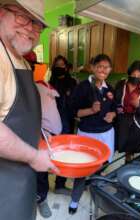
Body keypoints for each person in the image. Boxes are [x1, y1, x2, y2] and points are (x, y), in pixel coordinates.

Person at [0, 1, 58, 220]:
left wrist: (42, 148)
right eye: (22, 17)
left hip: (23, 181)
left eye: (38, 24)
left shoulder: (22, 62)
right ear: (1, 13)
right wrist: (34, 157)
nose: (31, 28)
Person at [69, 54, 116, 214]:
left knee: (101, 167)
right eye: (100, 66)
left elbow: (114, 108)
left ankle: (96, 191)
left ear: (110, 70)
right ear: (93, 67)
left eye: (106, 67)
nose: (103, 69)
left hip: (106, 134)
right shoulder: (82, 87)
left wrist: (113, 115)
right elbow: (73, 112)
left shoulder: (109, 88)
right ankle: (75, 200)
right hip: (88, 134)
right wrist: (90, 110)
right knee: (83, 169)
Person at [115, 60, 140, 162]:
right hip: (119, 122)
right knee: (114, 146)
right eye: (134, 74)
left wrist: (138, 106)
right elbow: (114, 101)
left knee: (130, 153)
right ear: (129, 73)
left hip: (135, 125)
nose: (136, 77)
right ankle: (102, 171)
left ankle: (127, 168)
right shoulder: (120, 84)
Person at [49, 55, 77, 194]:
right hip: (51, 123)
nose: (60, 67)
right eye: (57, 65)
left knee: (65, 152)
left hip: (67, 122)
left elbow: (76, 102)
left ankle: (60, 184)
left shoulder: (72, 82)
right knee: (51, 151)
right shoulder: (49, 83)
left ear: (66, 67)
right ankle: (48, 177)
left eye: (62, 65)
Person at [36, 80, 62, 218]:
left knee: (41, 168)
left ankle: (41, 197)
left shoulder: (41, 86)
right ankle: (38, 199)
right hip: (28, 133)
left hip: (45, 134)